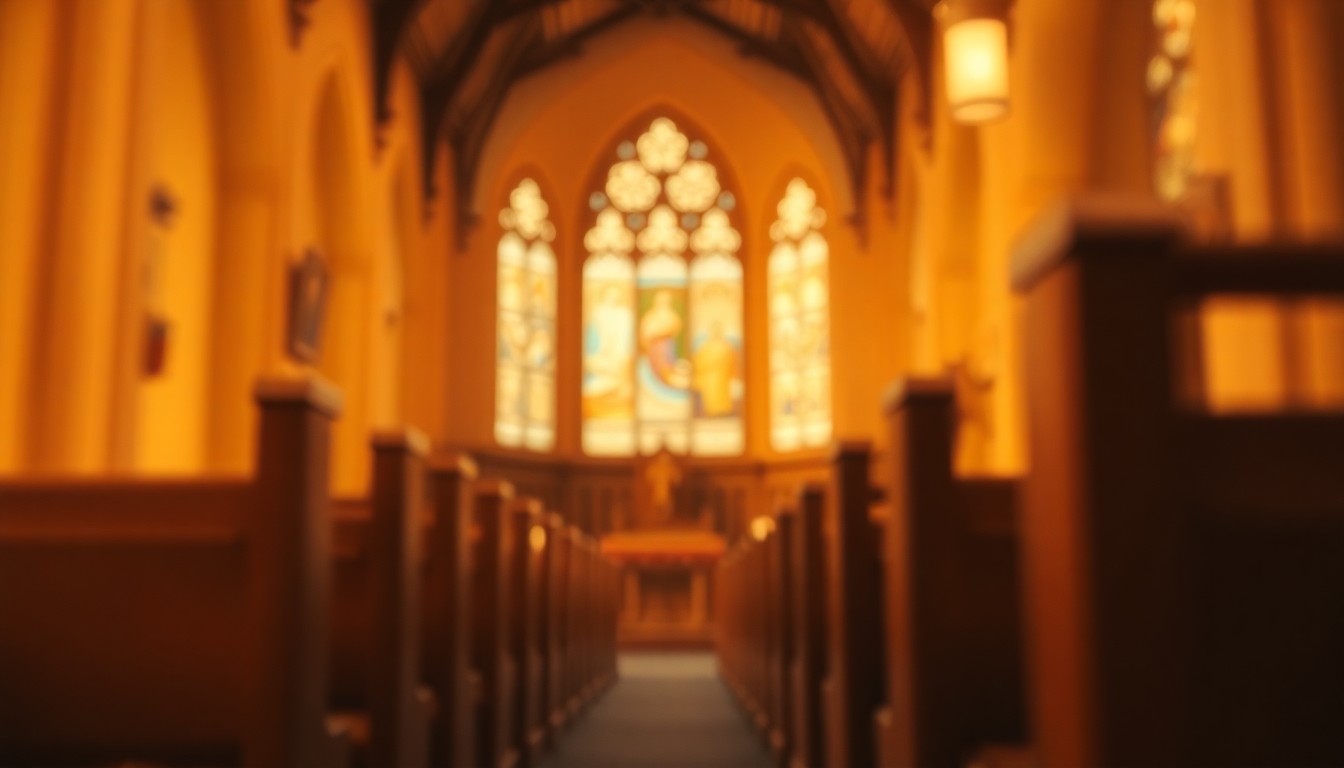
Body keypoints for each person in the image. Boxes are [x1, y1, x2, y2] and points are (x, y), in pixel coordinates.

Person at [693, 321, 738, 416]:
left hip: (722, 376)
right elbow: (700, 361)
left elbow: (731, 360)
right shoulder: (706, 346)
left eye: (718, 330)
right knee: (711, 396)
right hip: (709, 377)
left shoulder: (726, 346)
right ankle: (712, 411)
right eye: (714, 330)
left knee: (721, 396)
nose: (716, 332)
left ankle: (722, 411)